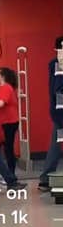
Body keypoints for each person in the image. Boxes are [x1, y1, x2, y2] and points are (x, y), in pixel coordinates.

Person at [0, 67, 21, 184]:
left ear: (3, 77)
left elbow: (0, 103)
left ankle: (10, 175)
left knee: (7, 149)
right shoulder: (1, 88)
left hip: (9, 122)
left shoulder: (5, 88)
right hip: (5, 122)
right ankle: (2, 174)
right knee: (0, 148)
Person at [39, 36, 63, 192]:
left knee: (56, 145)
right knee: (56, 145)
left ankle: (45, 179)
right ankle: (46, 179)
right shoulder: (57, 65)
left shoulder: (56, 64)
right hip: (61, 113)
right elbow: (58, 90)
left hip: (58, 113)